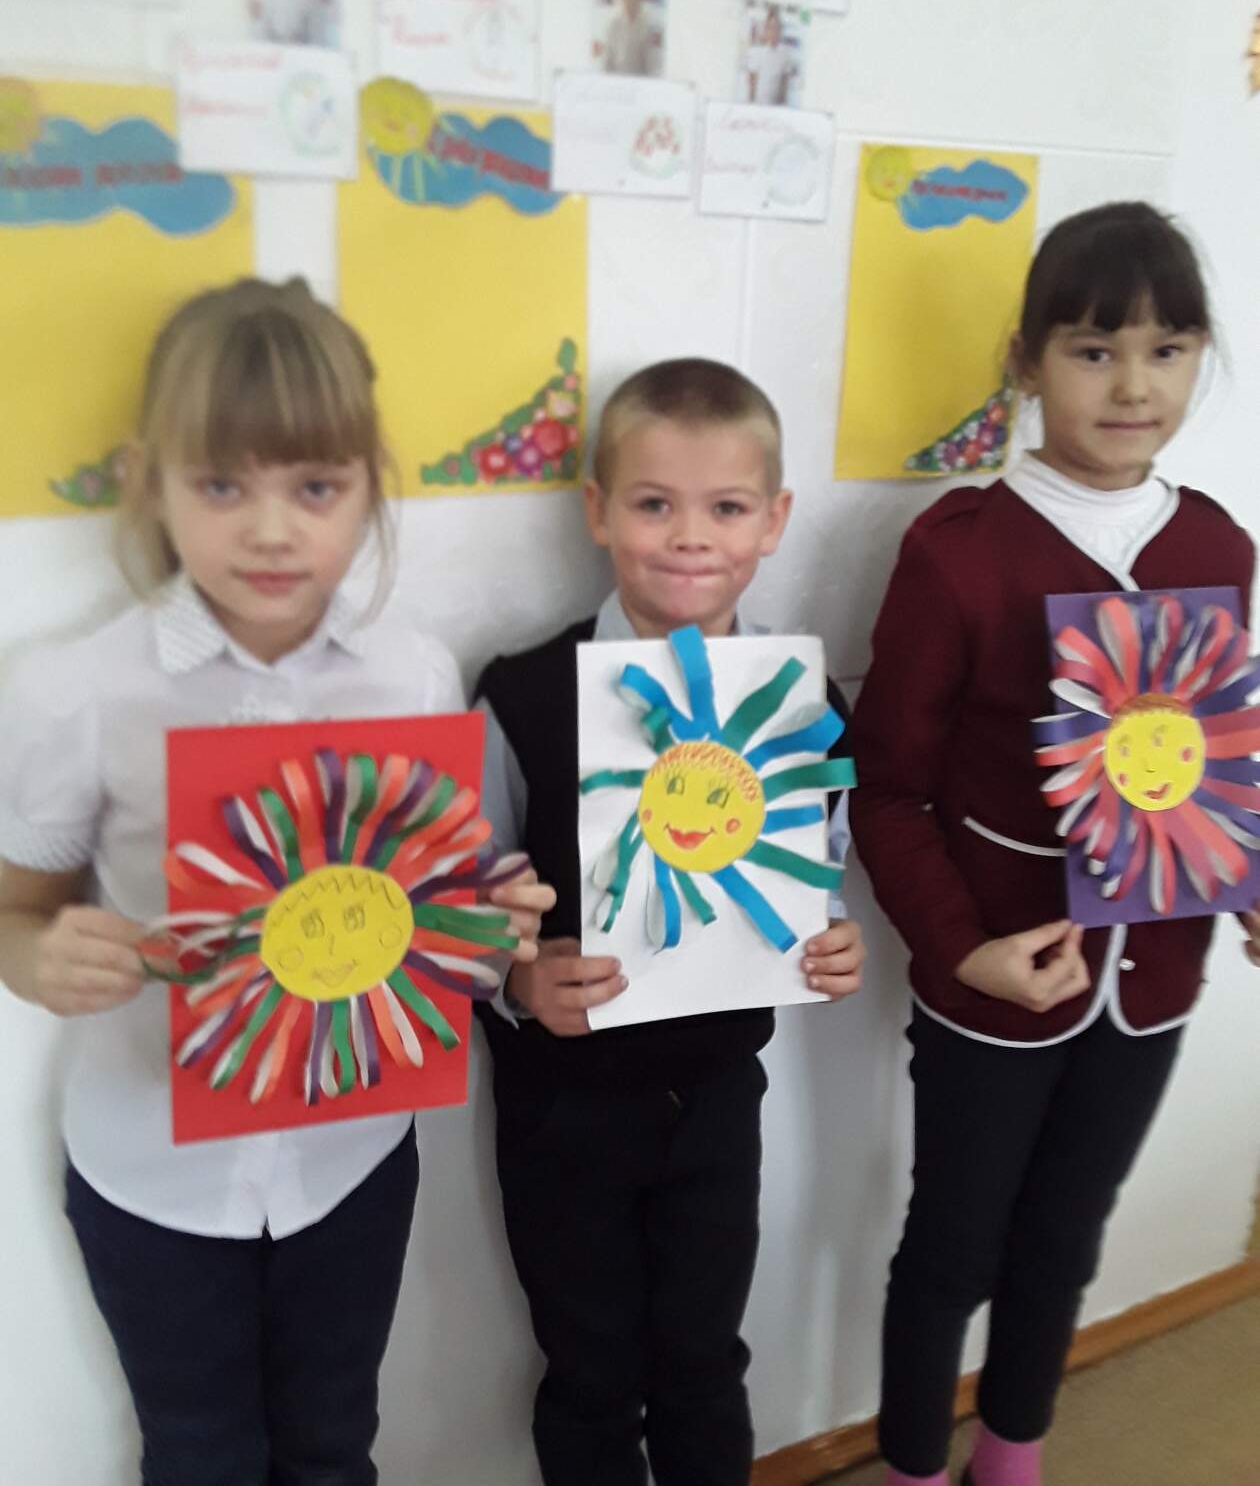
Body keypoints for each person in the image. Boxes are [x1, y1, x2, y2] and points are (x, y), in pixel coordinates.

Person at [0, 277, 553, 1486]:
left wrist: (492, 919)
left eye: (314, 487)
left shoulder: (413, 675)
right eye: (220, 485)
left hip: (352, 1161)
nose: (269, 530)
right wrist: (39, 957)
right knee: (199, 1456)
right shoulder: (78, 690)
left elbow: (435, 908)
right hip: (154, 1171)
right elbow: (15, 911)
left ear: (368, 486)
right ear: (151, 482)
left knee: (333, 1449)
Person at [849, 202, 1260, 1486]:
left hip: (1154, 979)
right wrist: (961, 952)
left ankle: (1012, 1455)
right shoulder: (961, 553)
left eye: (1167, 349)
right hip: (997, 982)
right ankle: (916, 1465)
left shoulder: (1217, 545)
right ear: (1027, 363)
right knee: (951, 1250)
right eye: (1094, 351)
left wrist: (1249, 886)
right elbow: (885, 790)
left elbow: (1211, 763)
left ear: (1199, 357)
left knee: (1068, 1238)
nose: (1133, 386)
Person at [475, 358, 867, 1486]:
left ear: (774, 521)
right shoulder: (522, 694)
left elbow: (815, 869)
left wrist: (829, 938)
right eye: (654, 504)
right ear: (599, 511)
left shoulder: (804, 704)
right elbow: (461, 902)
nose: (691, 538)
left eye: (727, 507)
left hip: (716, 1101)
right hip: (563, 1110)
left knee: (702, 1362)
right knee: (590, 1374)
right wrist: (516, 980)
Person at [602, 0, 658, 76]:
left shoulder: (647, 26)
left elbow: (650, 66)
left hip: (639, 81)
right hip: (616, 80)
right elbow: (607, 62)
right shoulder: (613, 25)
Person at [745, 6, 798, 107]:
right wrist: (750, 106)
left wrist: (783, 107)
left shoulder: (785, 54)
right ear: (766, 30)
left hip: (776, 107)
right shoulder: (756, 53)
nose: (774, 32)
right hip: (757, 105)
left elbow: (784, 86)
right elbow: (752, 84)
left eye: (777, 28)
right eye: (771, 28)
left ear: (780, 31)